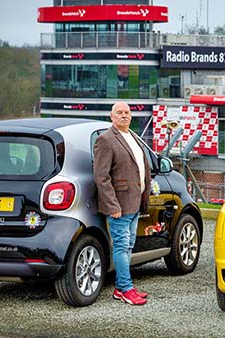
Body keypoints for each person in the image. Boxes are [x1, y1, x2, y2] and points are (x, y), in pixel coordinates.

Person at [93, 102, 151, 306]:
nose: (124, 116)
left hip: (135, 204)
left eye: (127, 112)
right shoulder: (105, 140)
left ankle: (120, 288)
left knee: (128, 246)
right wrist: (112, 206)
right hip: (120, 206)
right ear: (112, 116)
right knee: (121, 247)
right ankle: (126, 290)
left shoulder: (133, 136)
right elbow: (101, 176)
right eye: (119, 113)